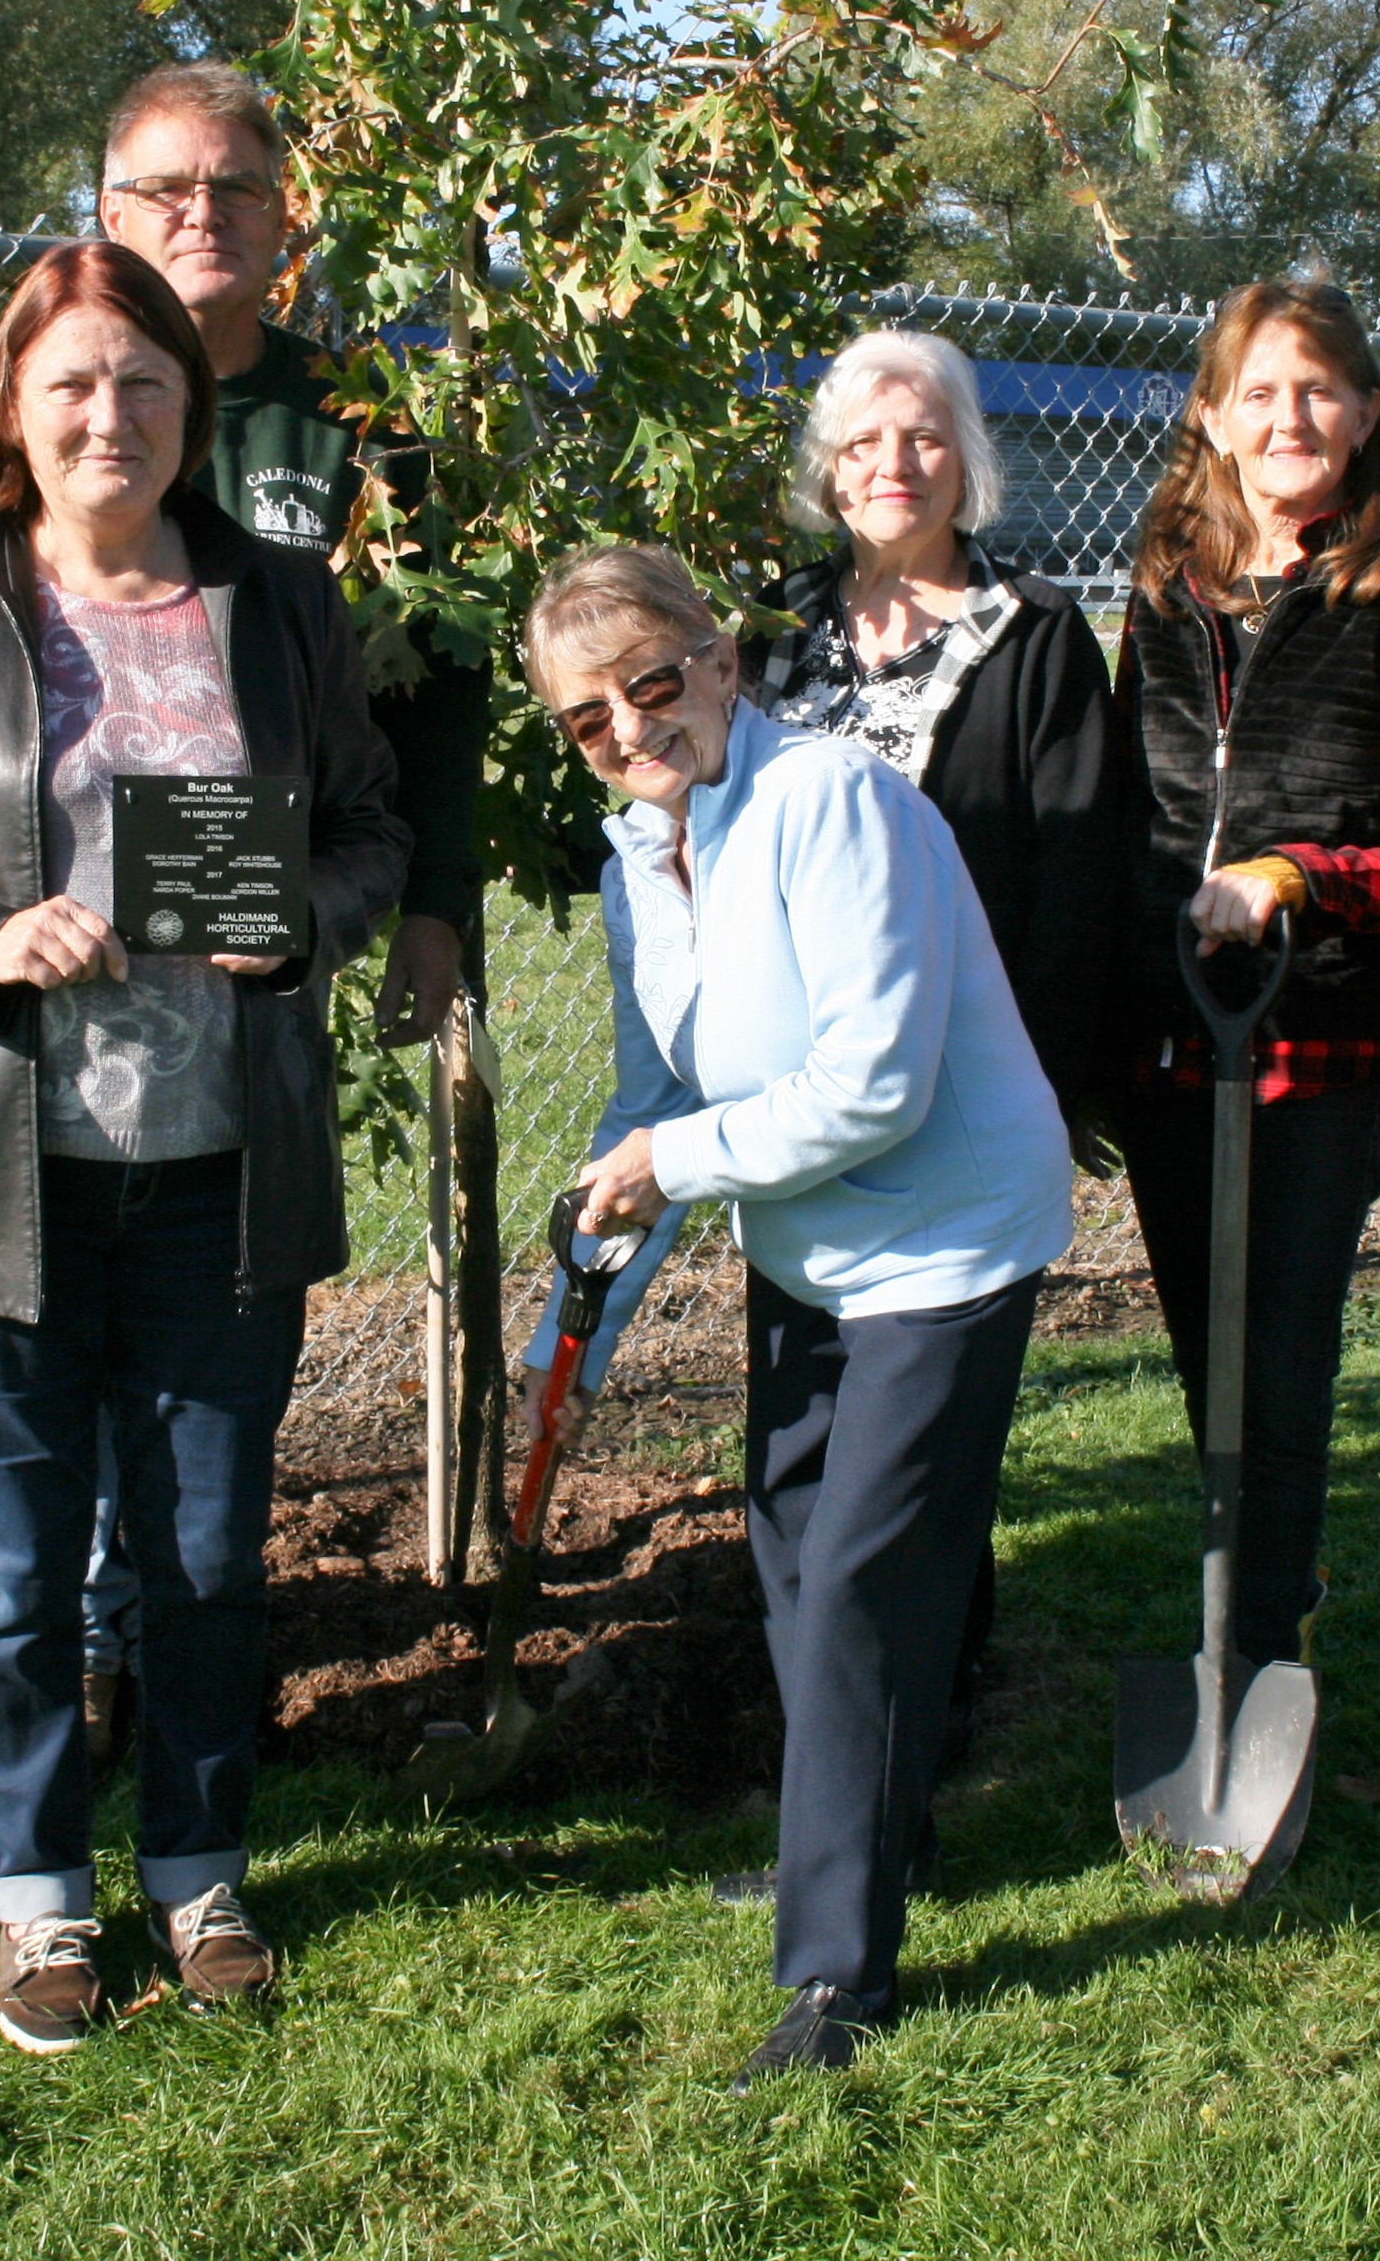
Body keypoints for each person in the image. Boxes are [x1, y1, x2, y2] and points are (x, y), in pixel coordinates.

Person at [0, 241, 407, 2054]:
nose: (107, 415)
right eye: (69, 383)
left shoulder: (277, 600)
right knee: (16, 1578)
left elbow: (366, 830)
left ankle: (198, 1867)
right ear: (15, 410)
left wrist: (304, 920)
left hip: (220, 1164)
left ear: (187, 409)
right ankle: (37, 1902)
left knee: (208, 1558)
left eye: (141, 383)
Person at [0, 63, 488, 1755]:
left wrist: (421, 903)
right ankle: (92, 1652)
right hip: (28, 977)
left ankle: (166, 1676)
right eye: (162, 190)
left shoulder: (362, 418)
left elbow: (434, 688)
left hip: (241, 961)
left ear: (286, 212)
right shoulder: (14, 382)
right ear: (106, 213)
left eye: (233, 187)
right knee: (49, 1320)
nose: (198, 217)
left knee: (186, 1336)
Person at [540, 327, 1117, 1779]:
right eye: (858, 441)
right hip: (801, 1130)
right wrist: (601, 1275)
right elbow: (683, 1016)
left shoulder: (1027, 633)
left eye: (920, 435)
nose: (891, 464)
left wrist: (1024, 1088)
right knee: (821, 1517)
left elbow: (1068, 876)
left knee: (896, 1523)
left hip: (942, 1095)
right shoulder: (777, 646)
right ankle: (872, 1792)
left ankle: (908, 1768)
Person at [529, 545, 1070, 2086]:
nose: (630, 730)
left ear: (716, 659)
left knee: (864, 1585)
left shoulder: (830, 803)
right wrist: (629, 1195)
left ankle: (838, 1970)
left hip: (945, 1241)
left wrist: (676, 1162)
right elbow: (683, 1073)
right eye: (588, 720)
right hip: (814, 1245)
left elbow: (878, 1086)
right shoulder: (652, 841)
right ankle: (860, 1837)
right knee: (787, 1536)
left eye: (650, 683)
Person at [1109, 275, 1380, 1678]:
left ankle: (1265, 1641)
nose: (1289, 417)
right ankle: (1252, 1591)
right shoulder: (1161, 591)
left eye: (1319, 388)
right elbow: (1116, 813)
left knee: (1277, 1358)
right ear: (1212, 416)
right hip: (1165, 1041)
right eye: (1257, 391)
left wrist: (1295, 882)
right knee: (1209, 1356)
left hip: (1319, 1039)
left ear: (1367, 412)